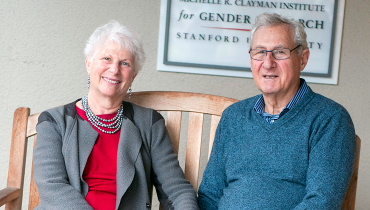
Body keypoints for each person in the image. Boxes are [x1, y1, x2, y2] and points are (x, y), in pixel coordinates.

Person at [33, 20, 199, 210]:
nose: (114, 69)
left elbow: (176, 190)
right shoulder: (54, 122)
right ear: (89, 63)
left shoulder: (150, 123)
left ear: (133, 75)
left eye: (125, 63)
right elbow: (52, 186)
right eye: (106, 59)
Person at [197, 13, 356, 210]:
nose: (268, 62)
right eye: (260, 52)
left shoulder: (330, 119)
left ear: (303, 59)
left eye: (280, 52)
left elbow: (321, 202)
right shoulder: (233, 116)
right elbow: (209, 195)